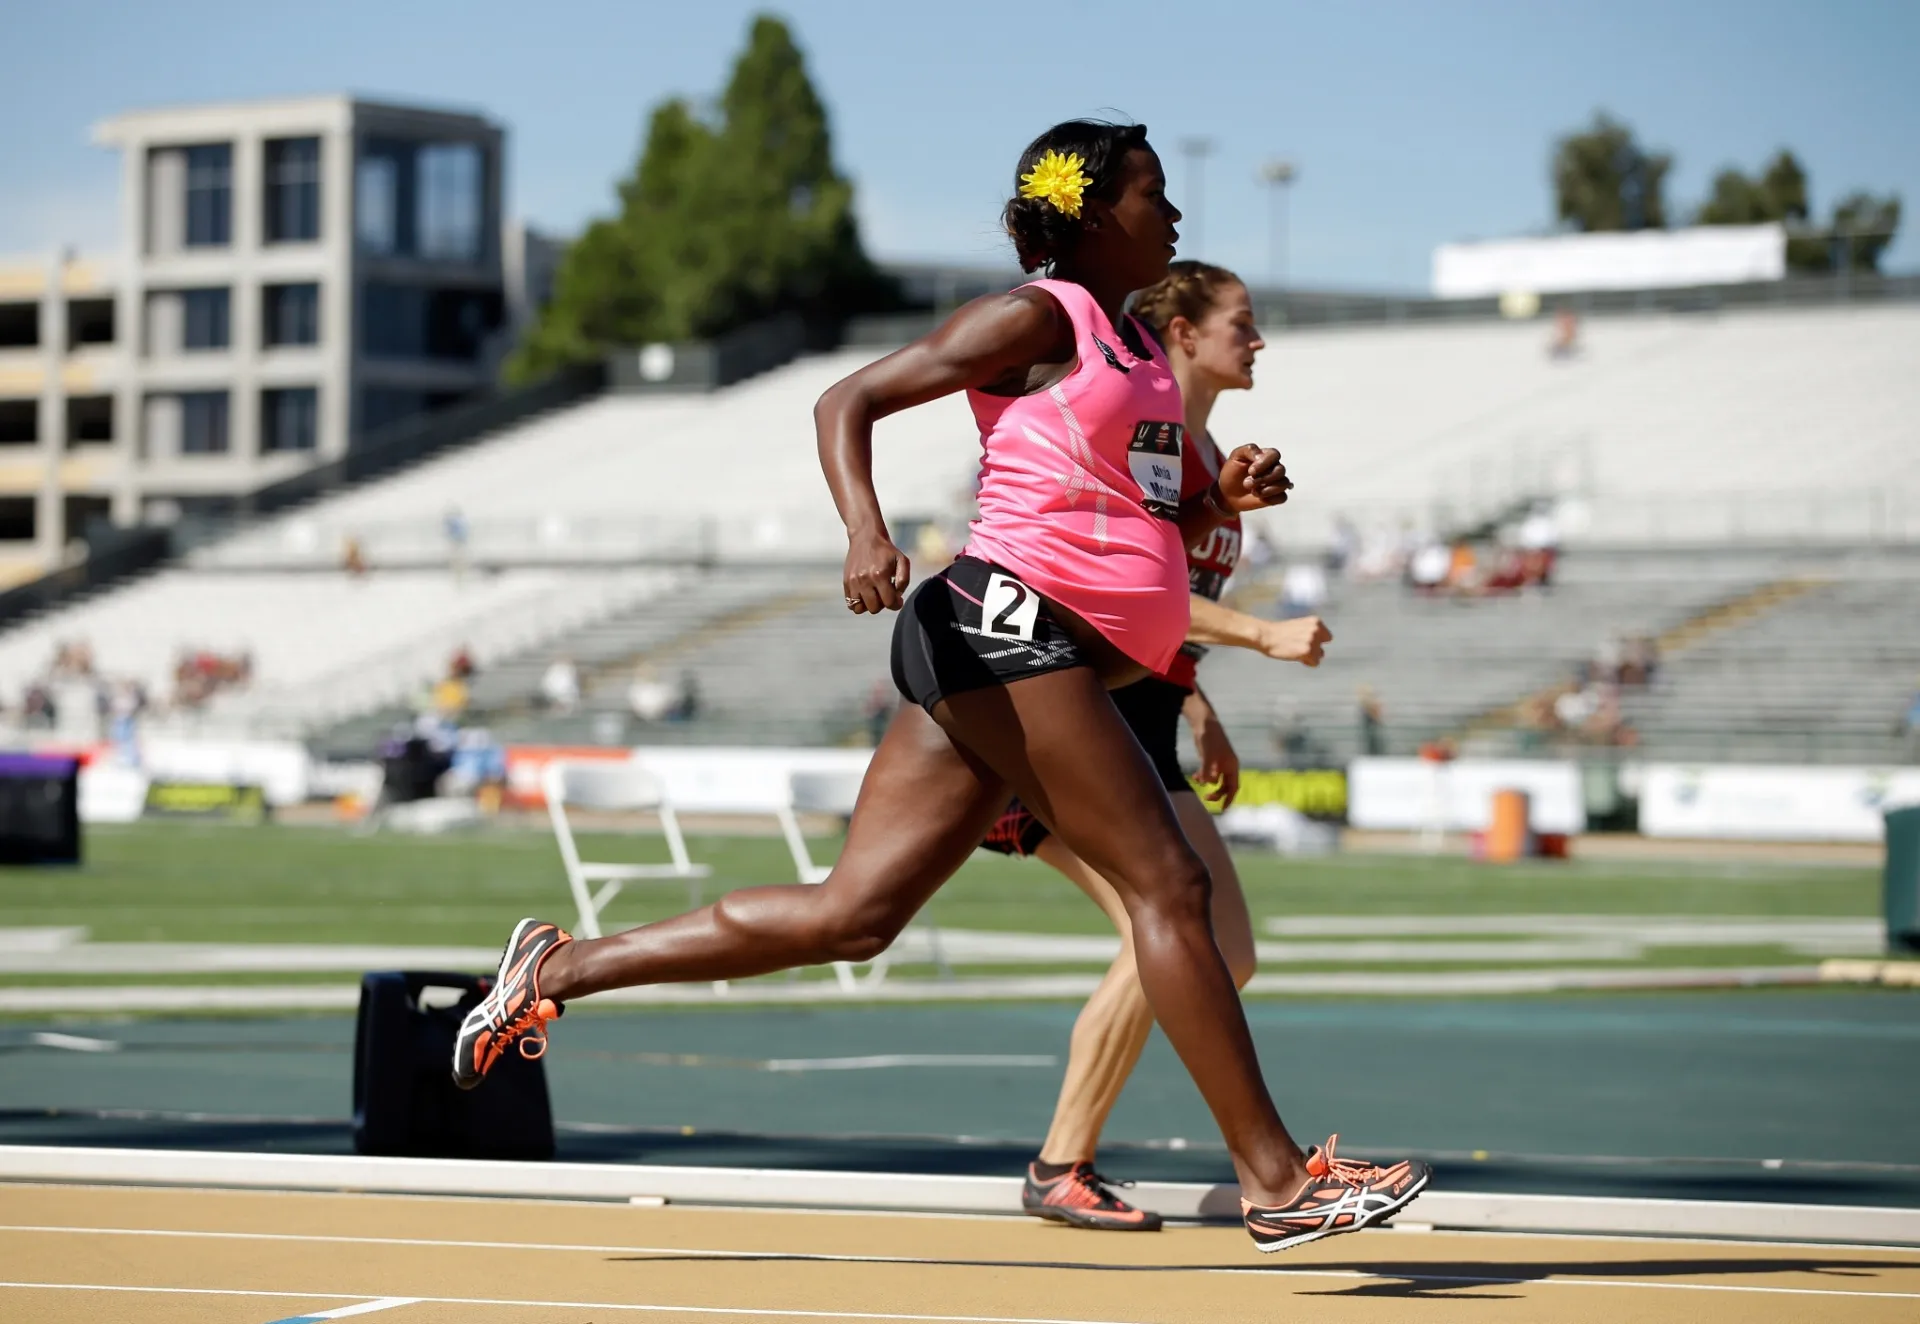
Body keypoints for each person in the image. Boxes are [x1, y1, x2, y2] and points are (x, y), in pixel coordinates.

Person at [450, 120, 1428, 1255]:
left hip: (1031, 656)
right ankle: (1276, 1180)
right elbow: (846, 402)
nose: (1172, 216)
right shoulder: (1037, 316)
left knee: (853, 916)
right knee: (1169, 884)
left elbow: (1136, 521)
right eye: (1154, 193)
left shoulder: (1138, 355)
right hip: (1004, 628)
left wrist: (1222, 504)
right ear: (1094, 210)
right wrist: (865, 530)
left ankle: (554, 969)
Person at [973, 260, 1334, 1231]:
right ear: (1182, 332)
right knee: (1172, 929)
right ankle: (1067, 1163)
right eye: (1242, 324)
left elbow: (1172, 609)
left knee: (1223, 945)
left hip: (1143, 718)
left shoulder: (1203, 447)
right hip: (1067, 714)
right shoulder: (1147, 434)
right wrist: (1262, 636)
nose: (1257, 341)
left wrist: (1196, 702)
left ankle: (1076, 1161)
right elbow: (1121, 588)